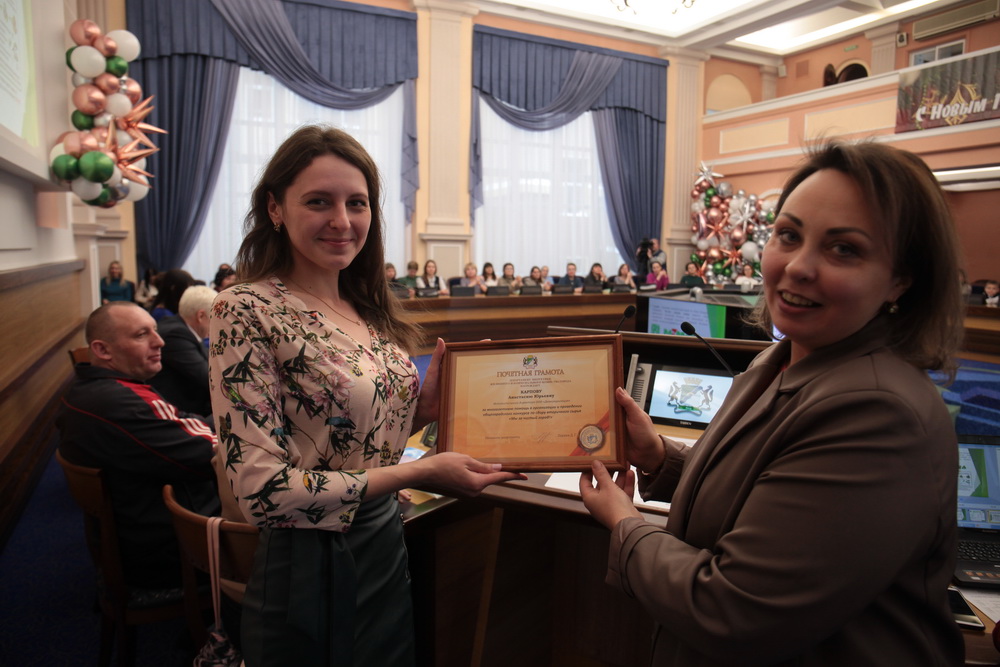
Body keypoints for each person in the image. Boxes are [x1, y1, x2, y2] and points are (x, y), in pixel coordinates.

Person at [579, 141, 965, 665]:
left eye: (843, 249)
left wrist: (626, 523)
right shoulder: (780, 359)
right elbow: (760, 491)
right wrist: (659, 457)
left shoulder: (878, 413)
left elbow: (732, 609)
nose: (798, 266)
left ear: (901, 279)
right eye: (788, 235)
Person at [208, 125, 523, 666]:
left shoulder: (367, 309)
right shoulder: (243, 309)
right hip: (310, 564)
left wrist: (420, 413)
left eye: (357, 203)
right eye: (318, 201)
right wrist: (420, 472)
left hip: (384, 545)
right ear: (275, 208)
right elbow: (263, 493)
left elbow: (354, 442)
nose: (342, 220)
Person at [58, 301, 219, 590]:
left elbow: (180, 422)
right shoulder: (121, 402)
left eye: (155, 330)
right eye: (141, 335)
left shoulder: (93, 388)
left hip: (139, 534)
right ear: (103, 350)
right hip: (173, 553)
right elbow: (211, 456)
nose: (159, 342)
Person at [149, 285, 215, 417]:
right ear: (201, 316)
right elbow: (209, 378)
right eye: (214, 317)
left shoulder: (180, 328)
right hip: (181, 413)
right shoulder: (175, 334)